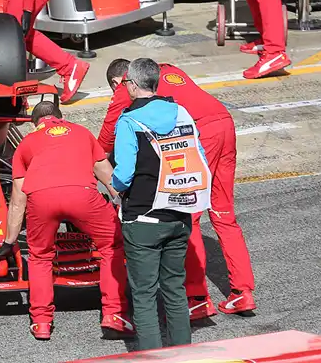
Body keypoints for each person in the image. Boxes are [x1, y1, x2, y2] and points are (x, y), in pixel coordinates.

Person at [100, 59, 256, 320]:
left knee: (189, 213)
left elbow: (107, 137)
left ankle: (196, 298)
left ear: (121, 82)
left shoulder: (126, 85)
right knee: (224, 214)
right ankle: (244, 292)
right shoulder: (169, 70)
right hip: (224, 124)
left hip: (200, 134)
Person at [0, 100, 134, 342]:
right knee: (112, 246)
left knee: (40, 256)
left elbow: (18, 199)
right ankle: (114, 314)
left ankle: (41, 322)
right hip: (82, 195)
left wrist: (9, 241)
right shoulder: (82, 133)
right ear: (61, 117)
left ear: (35, 123)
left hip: (42, 200)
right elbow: (108, 176)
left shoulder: (26, 143)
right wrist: (123, 204)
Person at [111, 58, 212, 351]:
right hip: (179, 213)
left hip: (143, 218)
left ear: (131, 84)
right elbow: (200, 158)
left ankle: (153, 358)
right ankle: (182, 354)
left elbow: (125, 173)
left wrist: (112, 189)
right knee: (175, 290)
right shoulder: (182, 113)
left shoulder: (129, 120)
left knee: (143, 295)